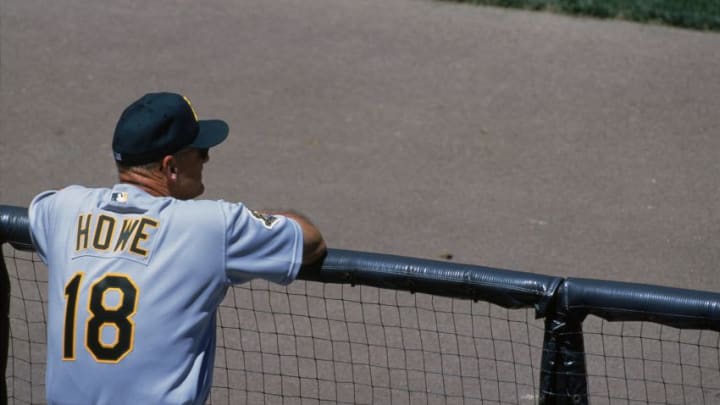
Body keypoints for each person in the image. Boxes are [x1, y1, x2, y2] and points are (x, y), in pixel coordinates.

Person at [28, 92, 326, 405]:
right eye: (200, 151)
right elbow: (311, 241)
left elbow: (47, 206)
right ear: (170, 167)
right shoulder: (212, 226)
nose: (207, 158)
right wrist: (258, 218)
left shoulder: (64, 210)